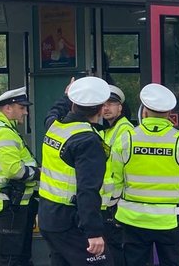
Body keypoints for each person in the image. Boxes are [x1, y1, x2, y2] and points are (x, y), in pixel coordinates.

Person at [112, 83, 179, 266]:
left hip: (132, 221)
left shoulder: (126, 139)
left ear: (145, 110)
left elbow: (114, 180)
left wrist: (109, 208)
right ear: (170, 113)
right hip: (169, 222)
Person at [38, 76, 112, 266]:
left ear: (73, 104)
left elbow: (53, 112)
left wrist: (67, 94)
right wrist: (94, 232)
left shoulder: (55, 127)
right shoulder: (87, 141)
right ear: (102, 107)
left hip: (49, 218)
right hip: (72, 223)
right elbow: (88, 189)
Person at [0, 87, 39, 266]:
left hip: (11, 202)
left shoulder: (1, 128)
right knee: (10, 258)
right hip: (11, 203)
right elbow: (14, 171)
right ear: (8, 108)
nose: (26, 112)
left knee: (15, 256)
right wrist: (39, 173)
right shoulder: (4, 132)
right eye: (22, 108)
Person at [100, 85, 133, 266]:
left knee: (115, 249)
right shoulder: (109, 129)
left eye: (111, 104)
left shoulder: (125, 130)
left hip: (114, 202)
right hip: (107, 201)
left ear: (120, 107)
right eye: (103, 104)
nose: (106, 108)